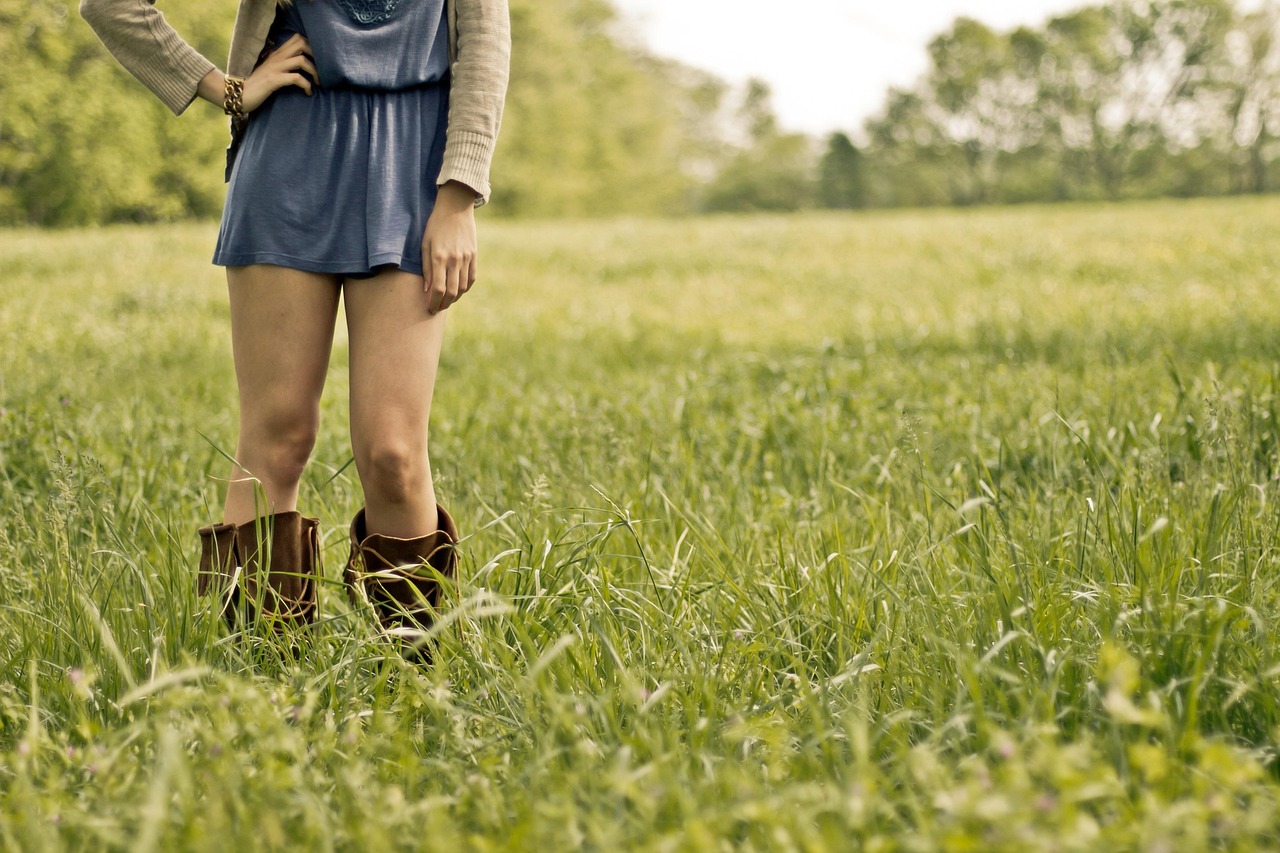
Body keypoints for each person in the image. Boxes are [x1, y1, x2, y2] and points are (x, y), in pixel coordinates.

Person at [79, 0, 511, 657]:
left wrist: (459, 192)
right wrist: (225, 88)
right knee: (276, 436)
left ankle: (413, 687)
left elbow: (484, 41)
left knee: (393, 451)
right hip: (289, 153)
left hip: (415, 162)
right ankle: (265, 683)